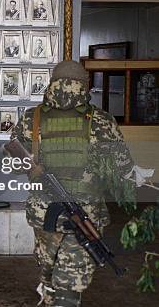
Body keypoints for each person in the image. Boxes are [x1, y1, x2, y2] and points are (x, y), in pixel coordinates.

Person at [11, 60, 135, 307]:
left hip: (43, 212)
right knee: (71, 276)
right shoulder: (101, 120)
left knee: (49, 266)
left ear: (52, 83)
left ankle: (48, 296)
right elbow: (123, 169)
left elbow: (14, 161)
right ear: (85, 86)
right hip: (86, 213)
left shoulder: (31, 118)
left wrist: (34, 170)